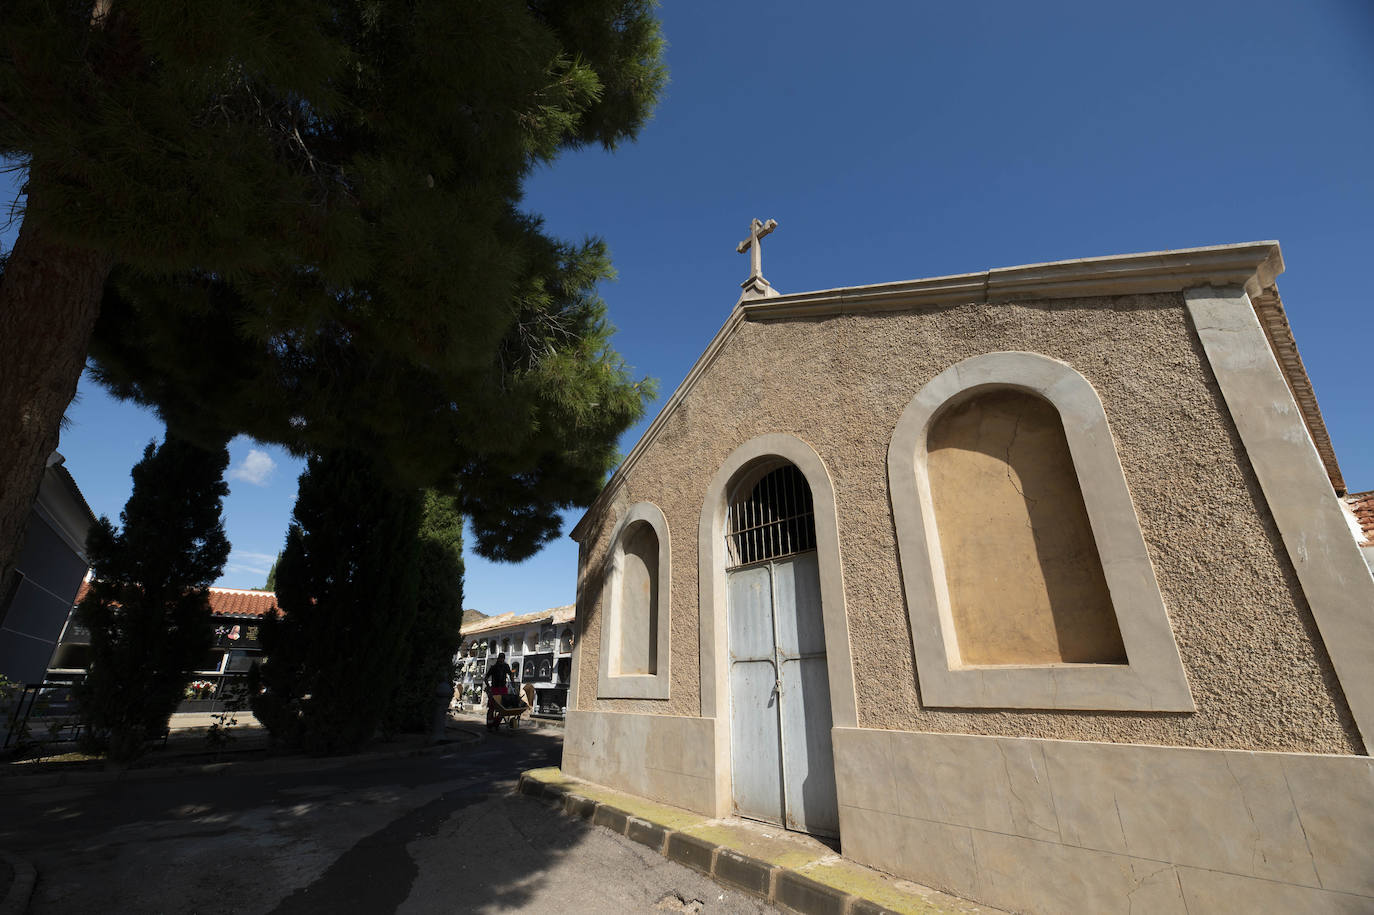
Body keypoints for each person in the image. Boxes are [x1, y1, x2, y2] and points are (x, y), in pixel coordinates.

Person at [484, 652, 513, 730]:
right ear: (498, 658)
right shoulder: (493, 667)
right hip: (495, 689)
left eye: (503, 658)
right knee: (492, 707)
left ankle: (496, 723)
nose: (501, 660)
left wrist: (512, 682)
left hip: (503, 689)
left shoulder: (506, 666)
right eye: (500, 658)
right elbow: (486, 677)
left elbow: (510, 674)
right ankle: (489, 725)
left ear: (504, 659)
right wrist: (488, 687)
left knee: (503, 709)